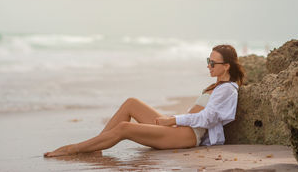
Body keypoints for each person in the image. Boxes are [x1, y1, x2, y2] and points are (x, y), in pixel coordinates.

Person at [44, 44, 245, 157]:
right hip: (179, 129)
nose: (208, 66)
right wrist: (172, 121)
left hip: (188, 136)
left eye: (212, 63)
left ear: (226, 66)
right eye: (207, 61)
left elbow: (208, 118)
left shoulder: (228, 90)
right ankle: (96, 147)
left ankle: (74, 148)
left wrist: (172, 120)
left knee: (125, 128)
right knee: (131, 103)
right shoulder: (217, 86)